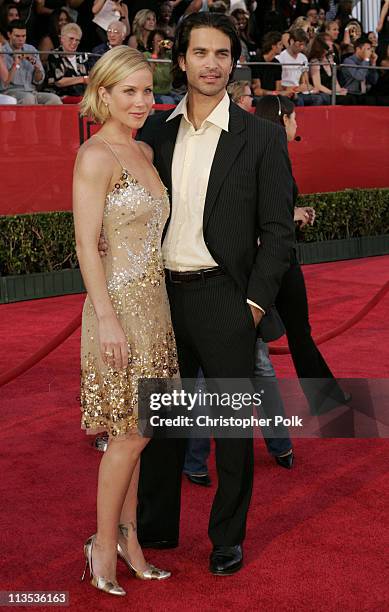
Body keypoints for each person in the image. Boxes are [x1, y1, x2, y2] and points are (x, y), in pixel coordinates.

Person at [132, 12, 296, 575]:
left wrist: (252, 303)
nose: (211, 63)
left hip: (226, 300)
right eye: (200, 52)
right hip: (162, 300)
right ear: (180, 60)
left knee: (229, 433)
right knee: (163, 425)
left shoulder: (262, 136)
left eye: (222, 53)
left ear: (234, 60)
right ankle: (155, 529)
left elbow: (279, 231)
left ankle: (227, 537)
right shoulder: (153, 133)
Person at [74, 45, 177, 596]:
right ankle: (102, 544)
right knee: (129, 435)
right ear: (104, 94)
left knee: (139, 433)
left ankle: (128, 540)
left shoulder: (143, 152)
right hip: (117, 313)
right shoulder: (96, 155)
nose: (141, 101)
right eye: (129, 91)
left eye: (146, 90)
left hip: (154, 308)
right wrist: (109, 319)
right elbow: (88, 245)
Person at [255, 94, 351, 416]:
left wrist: (292, 212)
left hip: (263, 258)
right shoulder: (274, 154)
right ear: (283, 119)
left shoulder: (258, 152)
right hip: (278, 258)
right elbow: (264, 212)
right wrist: (291, 216)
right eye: (294, 118)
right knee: (298, 332)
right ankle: (325, 399)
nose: (297, 124)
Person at [0, 19, 62, 104]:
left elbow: (39, 80)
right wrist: (16, 62)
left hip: (32, 91)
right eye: (17, 36)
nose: (21, 39)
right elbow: (4, 84)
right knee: (29, 99)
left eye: (23, 36)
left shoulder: (31, 49)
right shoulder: (3, 52)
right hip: (10, 92)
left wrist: (37, 68)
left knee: (55, 99)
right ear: (9, 34)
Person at [276, 28, 325, 105]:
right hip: (288, 91)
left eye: (304, 45)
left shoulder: (303, 58)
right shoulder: (280, 58)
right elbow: (279, 85)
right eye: (300, 44)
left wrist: (309, 87)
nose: (302, 48)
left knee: (319, 98)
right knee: (299, 100)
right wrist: (295, 88)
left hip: (301, 91)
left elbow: (305, 81)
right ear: (292, 41)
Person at [46, 22, 89, 100]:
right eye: (71, 38)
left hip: (82, 95)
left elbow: (89, 77)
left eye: (77, 40)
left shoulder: (82, 56)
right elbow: (59, 82)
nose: (74, 42)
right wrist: (83, 79)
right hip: (60, 95)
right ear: (62, 39)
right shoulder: (54, 55)